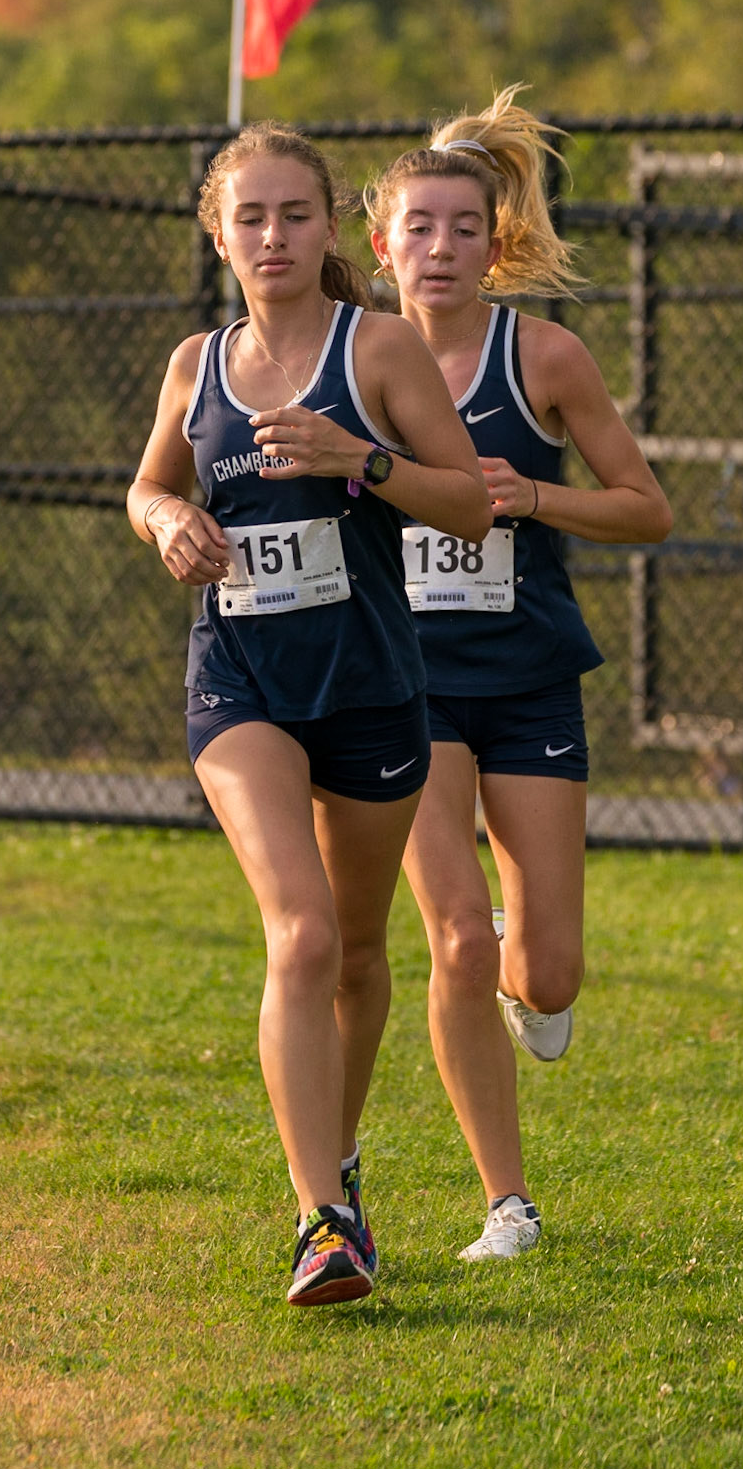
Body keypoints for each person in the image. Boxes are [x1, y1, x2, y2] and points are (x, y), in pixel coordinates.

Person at [128, 121, 489, 1306]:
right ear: (218, 234)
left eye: (294, 214)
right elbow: (148, 482)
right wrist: (166, 520)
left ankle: (335, 1155)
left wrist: (359, 457)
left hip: (371, 683)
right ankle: (322, 1220)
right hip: (241, 680)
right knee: (302, 932)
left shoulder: (377, 346)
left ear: (329, 225)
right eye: (250, 217)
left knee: (358, 950)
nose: (273, 235)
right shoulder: (196, 363)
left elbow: (469, 505)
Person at [365, 88, 672, 1261]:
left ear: (494, 247)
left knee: (544, 972)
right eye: (418, 228)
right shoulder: (349, 360)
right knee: (454, 936)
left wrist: (534, 495)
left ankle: (525, 966)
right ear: (382, 243)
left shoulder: (541, 355)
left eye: (463, 229)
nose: (439, 249)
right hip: (405, 680)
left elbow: (645, 508)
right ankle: (509, 1202)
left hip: (530, 675)